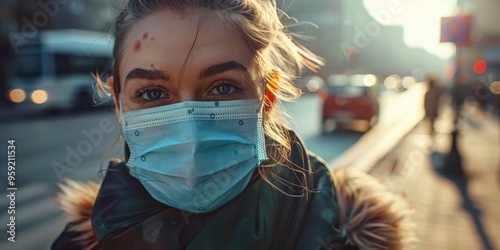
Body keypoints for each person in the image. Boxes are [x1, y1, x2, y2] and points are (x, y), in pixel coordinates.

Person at [52, 0, 414, 249]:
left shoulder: (350, 236)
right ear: (119, 104)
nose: (189, 128)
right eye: (151, 93)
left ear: (267, 99)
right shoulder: (80, 243)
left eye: (222, 88)